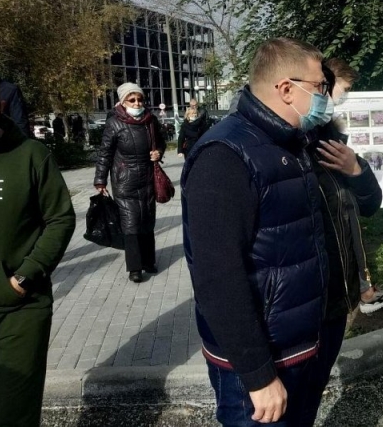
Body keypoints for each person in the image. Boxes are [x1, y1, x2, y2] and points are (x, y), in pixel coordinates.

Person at [181, 38, 331, 426]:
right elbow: (217, 278)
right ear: (286, 89)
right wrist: (258, 374)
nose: (324, 96)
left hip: (299, 348)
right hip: (258, 367)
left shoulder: (291, 142)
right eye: (318, 87)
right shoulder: (224, 156)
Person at [0, 70, 75, 426]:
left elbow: (60, 219)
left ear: (0, 107)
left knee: (15, 414)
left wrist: (25, 276)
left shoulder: (29, 155)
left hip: (20, 307)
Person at [298, 58, 383, 425]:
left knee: (311, 390)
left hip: (337, 296)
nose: (333, 98)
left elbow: (370, 204)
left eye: (332, 90)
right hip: (305, 298)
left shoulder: (332, 141)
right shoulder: (286, 147)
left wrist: (356, 169)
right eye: (327, 89)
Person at [93, 83, 165, 283]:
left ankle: (149, 261)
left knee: (147, 220)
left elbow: (161, 142)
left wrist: (158, 152)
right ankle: (135, 268)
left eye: (139, 99)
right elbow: (105, 153)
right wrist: (100, 180)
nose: (137, 103)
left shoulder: (150, 121)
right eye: (131, 100)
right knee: (131, 224)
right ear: (123, 102)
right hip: (125, 181)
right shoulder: (114, 123)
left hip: (148, 179)